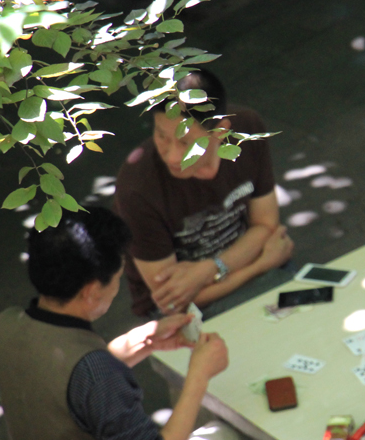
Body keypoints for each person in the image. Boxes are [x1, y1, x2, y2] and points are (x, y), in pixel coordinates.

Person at [0, 208, 273, 440]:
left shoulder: (6, 327)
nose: (118, 285)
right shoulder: (95, 373)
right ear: (92, 291)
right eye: (117, 277)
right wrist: (198, 375)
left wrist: (144, 342)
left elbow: (67, 386)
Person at [114, 69, 294, 319]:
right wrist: (260, 265)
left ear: (220, 132)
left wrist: (209, 270)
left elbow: (266, 225)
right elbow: (173, 299)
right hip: (193, 305)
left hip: (237, 267)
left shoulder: (247, 129)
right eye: (161, 136)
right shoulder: (137, 189)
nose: (172, 156)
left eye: (185, 143)